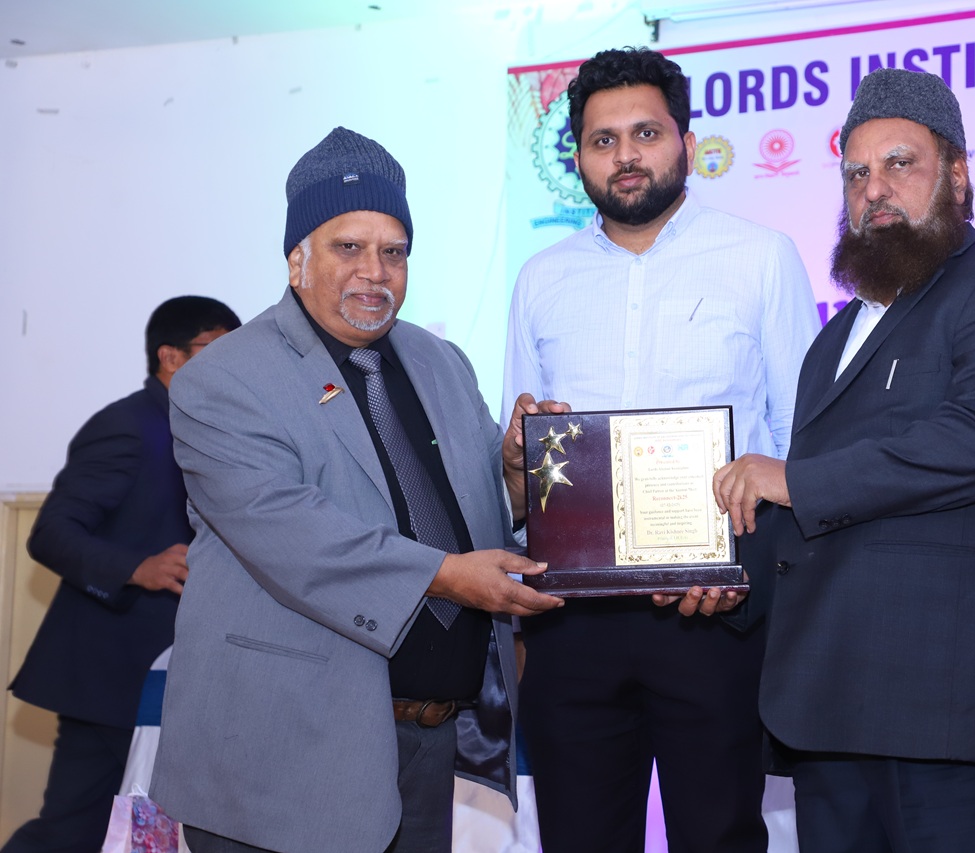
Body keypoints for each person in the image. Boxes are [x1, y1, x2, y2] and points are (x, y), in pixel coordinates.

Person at [148, 127, 565, 853]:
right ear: (297, 258)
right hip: (281, 755)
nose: (375, 272)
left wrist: (519, 476)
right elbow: (290, 530)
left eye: (394, 252)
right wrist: (446, 577)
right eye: (349, 247)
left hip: (428, 742)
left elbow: (474, 517)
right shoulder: (224, 378)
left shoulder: (441, 360)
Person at [709, 67, 975, 853]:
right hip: (832, 717)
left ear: (958, 175)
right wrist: (724, 579)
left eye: (899, 164)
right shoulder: (831, 342)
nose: (873, 188)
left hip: (960, 720)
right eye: (855, 173)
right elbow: (814, 521)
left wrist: (792, 477)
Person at [504, 47, 819, 853]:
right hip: (571, 622)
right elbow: (523, 455)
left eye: (645, 133)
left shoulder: (761, 256)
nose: (626, 155)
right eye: (602, 140)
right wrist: (515, 458)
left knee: (718, 836)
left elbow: (803, 442)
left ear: (685, 139)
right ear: (577, 156)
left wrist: (752, 574)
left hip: (714, 615)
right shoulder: (540, 279)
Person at [3, 296, 240, 853]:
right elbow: (51, 533)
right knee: (73, 832)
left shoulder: (212, 429)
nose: (232, 367)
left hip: (179, 678)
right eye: (216, 351)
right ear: (171, 357)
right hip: (111, 676)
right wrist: (137, 568)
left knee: (150, 835)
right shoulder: (128, 426)